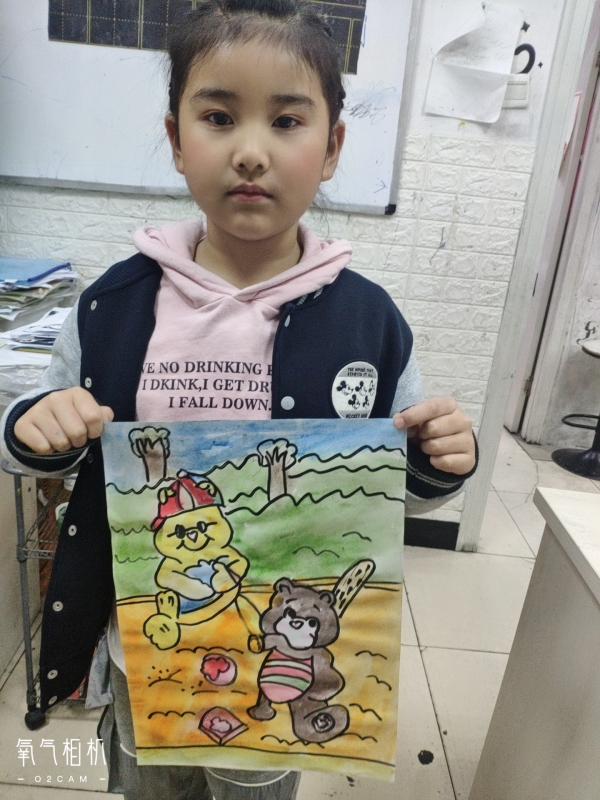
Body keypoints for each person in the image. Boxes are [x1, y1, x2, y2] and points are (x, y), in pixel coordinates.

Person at [1, 1, 477, 798]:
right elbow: (38, 439)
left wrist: (440, 460)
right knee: (148, 786)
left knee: (253, 790)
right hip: (145, 652)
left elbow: (403, 481)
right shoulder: (112, 307)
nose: (251, 151)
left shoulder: (370, 323)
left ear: (332, 149)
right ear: (176, 139)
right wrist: (34, 428)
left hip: (278, 670)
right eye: (219, 117)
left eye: (287, 121)